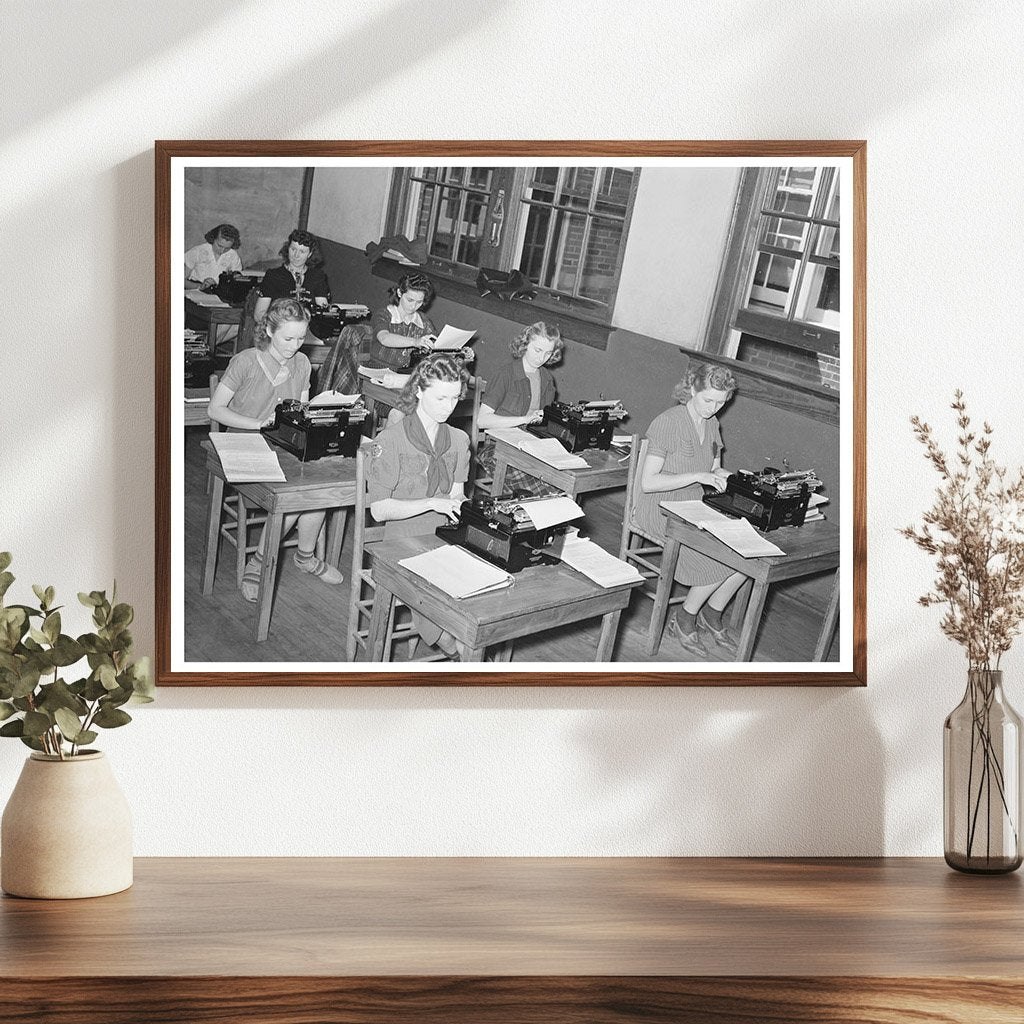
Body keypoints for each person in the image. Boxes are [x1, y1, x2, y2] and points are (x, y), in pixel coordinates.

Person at [208, 298, 344, 602]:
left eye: (300, 338)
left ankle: (305, 556)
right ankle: (257, 563)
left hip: (282, 446)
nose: (295, 345)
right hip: (242, 444)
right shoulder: (245, 361)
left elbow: (304, 409)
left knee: (319, 488)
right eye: (288, 338)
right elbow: (215, 410)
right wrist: (259, 424)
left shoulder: (303, 364)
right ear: (268, 329)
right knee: (294, 496)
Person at [633, 362, 747, 658]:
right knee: (721, 557)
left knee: (750, 555)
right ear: (692, 389)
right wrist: (699, 477)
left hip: (692, 505)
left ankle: (712, 612)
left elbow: (713, 468)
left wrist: (730, 477)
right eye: (708, 400)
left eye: (722, 403)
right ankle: (685, 617)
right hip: (659, 507)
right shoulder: (668, 421)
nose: (714, 408)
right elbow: (648, 483)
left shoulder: (712, 425)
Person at [366, 354, 471, 660]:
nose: (448, 406)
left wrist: (472, 511)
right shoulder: (390, 440)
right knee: (435, 589)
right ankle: (457, 650)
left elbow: (457, 495)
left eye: (455, 398)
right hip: (402, 540)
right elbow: (379, 511)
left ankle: (462, 643)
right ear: (419, 391)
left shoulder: (459, 439)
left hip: (442, 535)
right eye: (440, 397)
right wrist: (430, 502)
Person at [475, 321, 564, 496]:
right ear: (524, 345)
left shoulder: (546, 378)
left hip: (530, 445)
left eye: (548, 353)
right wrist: (524, 419)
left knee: (561, 483)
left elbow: (545, 424)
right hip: (498, 447)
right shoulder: (505, 375)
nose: (542, 358)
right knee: (539, 490)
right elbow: (482, 420)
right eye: (537, 350)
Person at [366, 273, 438, 371]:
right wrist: (415, 342)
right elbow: (384, 338)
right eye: (410, 300)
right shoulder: (384, 314)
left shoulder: (424, 322)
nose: (413, 306)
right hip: (377, 369)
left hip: (406, 372)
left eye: (419, 302)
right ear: (399, 293)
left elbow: (435, 347)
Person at [257, 229, 331, 310]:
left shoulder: (317, 277)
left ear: (310, 254)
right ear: (287, 249)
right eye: (293, 249)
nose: (296, 255)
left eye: (302, 252)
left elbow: (322, 309)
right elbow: (260, 314)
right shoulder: (273, 276)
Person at [184, 224, 242, 290]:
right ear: (213, 238)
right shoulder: (197, 251)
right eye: (219, 246)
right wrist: (200, 286)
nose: (222, 251)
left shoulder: (233, 255)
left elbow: (237, 282)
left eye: (227, 248)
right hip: (195, 290)